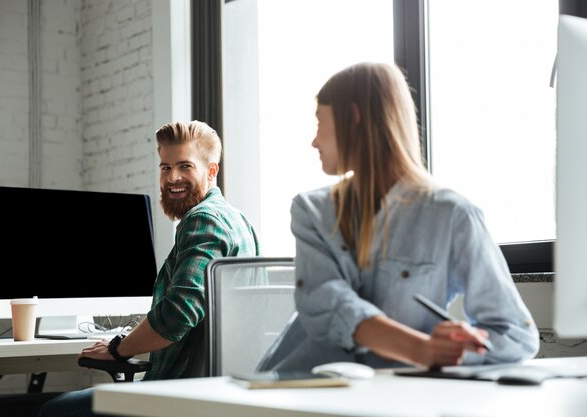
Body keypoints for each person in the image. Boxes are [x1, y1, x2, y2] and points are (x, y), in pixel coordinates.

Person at [258, 62, 539, 372]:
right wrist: (423, 350)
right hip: (303, 387)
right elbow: (330, 302)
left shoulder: (454, 216)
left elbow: (517, 334)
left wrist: (457, 348)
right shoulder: (312, 210)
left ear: (353, 117)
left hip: (400, 397)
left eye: (318, 121)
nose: (313, 141)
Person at [40, 120, 260, 417]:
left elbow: (177, 315)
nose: (172, 178)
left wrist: (118, 348)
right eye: (165, 167)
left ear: (211, 171)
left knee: (54, 410)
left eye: (185, 166)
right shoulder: (239, 221)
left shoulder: (204, 220)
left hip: (181, 392)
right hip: (218, 391)